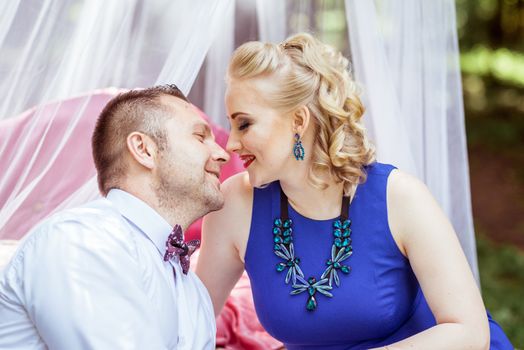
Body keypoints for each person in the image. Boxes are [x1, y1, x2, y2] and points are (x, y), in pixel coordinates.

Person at [196, 33, 513, 349]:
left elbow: (469, 332)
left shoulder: (400, 198)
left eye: (245, 124)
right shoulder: (236, 206)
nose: (232, 143)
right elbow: (192, 324)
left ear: (298, 120)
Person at [0, 85, 229, 349]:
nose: (222, 154)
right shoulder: (82, 241)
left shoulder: (192, 289)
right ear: (144, 149)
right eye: (200, 137)